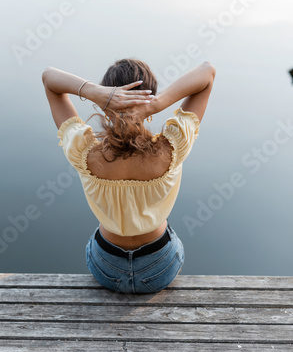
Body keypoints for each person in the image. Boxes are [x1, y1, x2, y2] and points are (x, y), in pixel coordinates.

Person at [42, 58, 216, 293]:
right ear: (149, 97)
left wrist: (94, 92)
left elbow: (49, 78)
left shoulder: (83, 151)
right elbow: (207, 72)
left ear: (105, 104)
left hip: (106, 268)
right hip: (160, 268)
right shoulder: (173, 147)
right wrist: (156, 104)